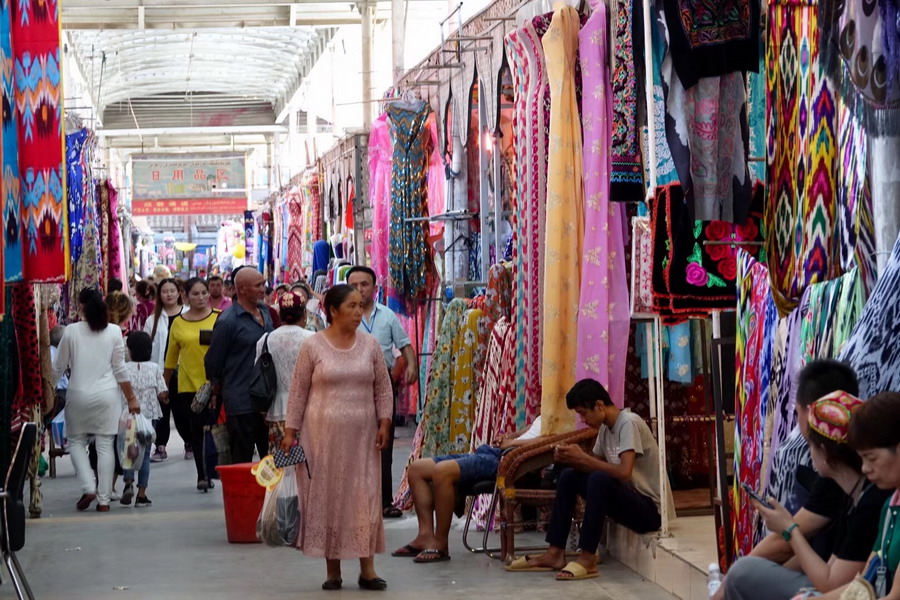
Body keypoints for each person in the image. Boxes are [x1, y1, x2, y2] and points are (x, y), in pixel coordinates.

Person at [712, 360, 869, 600]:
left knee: (742, 575)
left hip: (839, 589)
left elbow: (831, 581)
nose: (869, 466)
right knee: (746, 573)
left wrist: (789, 530)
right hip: (836, 584)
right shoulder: (855, 493)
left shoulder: (868, 497)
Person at [282, 284, 393, 591]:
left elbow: (383, 388)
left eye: (361, 305)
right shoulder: (313, 346)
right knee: (330, 496)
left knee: (364, 496)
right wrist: (290, 431)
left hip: (363, 438)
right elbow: (298, 391)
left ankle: (368, 569)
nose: (358, 312)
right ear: (333, 310)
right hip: (321, 438)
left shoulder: (370, 345)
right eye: (351, 306)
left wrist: (384, 422)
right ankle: (333, 570)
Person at [507, 379, 664, 580]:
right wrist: (571, 458)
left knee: (599, 479)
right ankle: (555, 552)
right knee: (569, 476)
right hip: (629, 502)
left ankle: (588, 558)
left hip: (650, 511)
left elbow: (624, 472)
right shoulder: (605, 429)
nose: (582, 419)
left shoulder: (628, 422)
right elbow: (593, 466)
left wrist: (583, 459)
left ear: (599, 405)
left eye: (583, 413)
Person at [394, 416, 544, 562]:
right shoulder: (549, 409)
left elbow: (550, 439)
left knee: (442, 471)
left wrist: (511, 443)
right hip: (496, 452)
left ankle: (440, 543)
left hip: (510, 461)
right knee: (416, 469)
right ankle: (425, 535)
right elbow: (536, 427)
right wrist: (511, 436)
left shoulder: (558, 411)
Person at [51, 288, 140, 512]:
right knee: (105, 445)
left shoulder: (70, 331)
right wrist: (131, 398)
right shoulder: (114, 331)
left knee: (76, 442)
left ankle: (88, 486)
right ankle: (104, 500)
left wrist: (48, 388)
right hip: (107, 397)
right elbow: (120, 369)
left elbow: (58, 367)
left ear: (80, 306)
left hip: (78, 395)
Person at [347, 265, 418, 519]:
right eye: (354, 285)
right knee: (353, 443)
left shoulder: (387, 316)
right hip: (351, 384)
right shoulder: (342, 317)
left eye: (364, 284)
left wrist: (412, 366)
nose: (359, 289)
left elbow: (404, 344)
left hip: (382, 383)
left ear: (374, 288)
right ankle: (354, 503)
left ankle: (385, 501)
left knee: (383, 443)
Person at [205, 267, 274, 464]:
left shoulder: (265, 312)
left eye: (263, 284)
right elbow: (213, 360)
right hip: (241, 400)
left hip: (267, 400)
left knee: (271, 462)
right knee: (241, 460)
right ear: (242, 289)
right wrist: (217, 388)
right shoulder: (228, 321)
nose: (263, 289)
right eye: (258, 285)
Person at [164, 277, 221, 491]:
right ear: (185, 296)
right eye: (195, 294)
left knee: (217, 430)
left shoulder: (220, 318)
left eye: (204, 293)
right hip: (190, 386)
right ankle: (202, 475)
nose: (201, 297)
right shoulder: (178, 323)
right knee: (197, 431)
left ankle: (217, 470)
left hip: (216, 385)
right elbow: (171, 357)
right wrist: (164, 385)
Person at [255, 290, 314, 454]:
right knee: (308, 461)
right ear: (304, 313)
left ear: (280, 314)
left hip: (276, 409)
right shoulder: (312, 339)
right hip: (308, 410)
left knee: (281, 461)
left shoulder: (265, 340)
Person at [144, 278, 190, 463]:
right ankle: (160, 446)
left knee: (183, 410)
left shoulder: (188, 314)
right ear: (159, 295)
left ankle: (189, 443)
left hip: (184, 370)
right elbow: (147, 347)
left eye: (172, 290)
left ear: (179, 293)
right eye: (165, 291)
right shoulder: (152, 320)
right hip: (161, 371)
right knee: (161, 410)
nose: (169, 294)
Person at [120, 332, 168, 508]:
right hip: (149, 417)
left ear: (130, 350)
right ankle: (141, 495)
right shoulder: (155, 368)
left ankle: (128, 483)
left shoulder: (124, 368)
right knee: (145, 455)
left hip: (129, 416)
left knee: (129, 451)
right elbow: (162, 393)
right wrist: (164, 398)